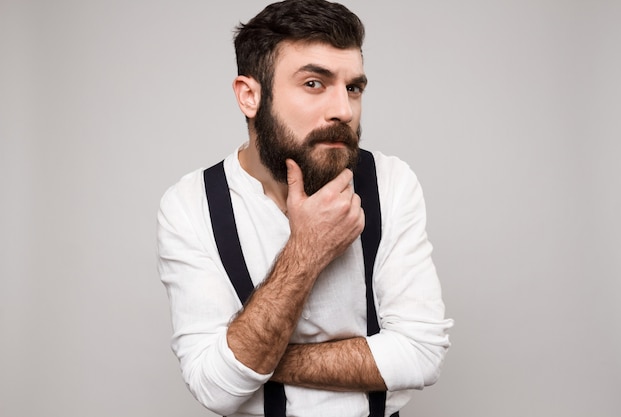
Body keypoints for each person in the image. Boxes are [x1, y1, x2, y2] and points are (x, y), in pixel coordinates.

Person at [157, 0, 453, 416]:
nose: (343, 110)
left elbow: (421, 354)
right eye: (314, 83)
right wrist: (306, 250)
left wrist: (257, 362)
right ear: (249, 96)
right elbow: (215, 389)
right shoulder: (190, 205)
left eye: (353, 87)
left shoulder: (389, 181)